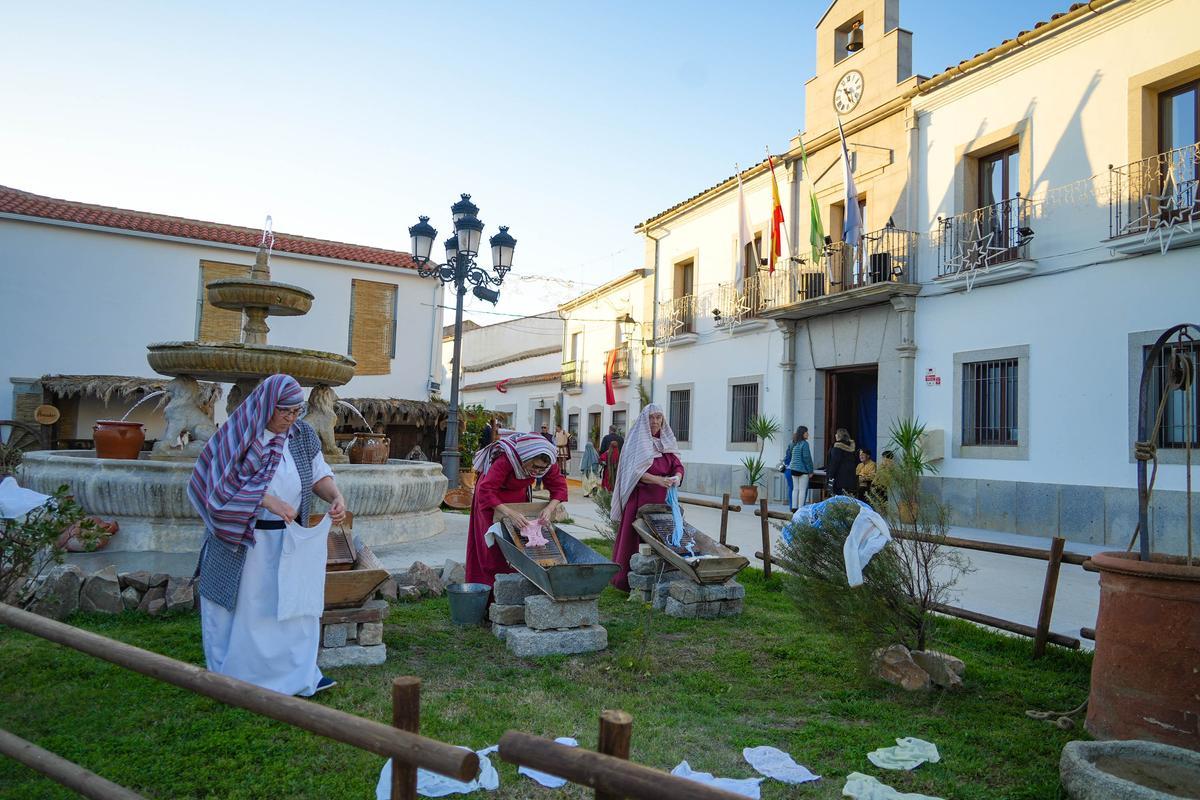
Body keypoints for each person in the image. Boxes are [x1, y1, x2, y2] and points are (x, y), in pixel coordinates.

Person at [189, 374, 348, 697]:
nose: (290, 418)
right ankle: (241, 678)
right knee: (251, 610)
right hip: (245, 543)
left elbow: (318, 475)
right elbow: (218, 484)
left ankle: (299, 673)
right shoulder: (238, 435)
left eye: (295, 411)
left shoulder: (301, 435)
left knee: (292, 605)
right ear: (266, 406)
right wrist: (266, 499)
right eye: (284, 412)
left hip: (288, 539)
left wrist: (335, 496)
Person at [465, 432, 567, 587]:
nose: (537, 472)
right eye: (535, 466)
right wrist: (509, 513)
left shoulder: (547, 461)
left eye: (542, 469)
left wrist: (549, 508)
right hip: (491, 500)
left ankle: (517, 584)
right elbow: (486, 491)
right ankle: (489, 590)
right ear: (526, 458)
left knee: (519, 542)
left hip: (518, 498)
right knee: (493, 547)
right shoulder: (506, 460)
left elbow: (559, 487)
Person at [609, 404, 684, 591]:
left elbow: (678, 466)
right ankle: (628, 581)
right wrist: (658, 480)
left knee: (662, 538)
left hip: (662, 502)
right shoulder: (636, 442)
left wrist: (677, 477)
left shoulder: (666, 442)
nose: (655, 421)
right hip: (640, 500)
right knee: (635, 540)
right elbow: (635, 472)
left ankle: (660, 579)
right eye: (651, 417)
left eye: (659, 417)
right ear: (644, 420)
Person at [787, 425, 815, 511]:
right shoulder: (805, 444)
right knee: (802, 490)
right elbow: (807, 458)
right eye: (806, 432)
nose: (808, 434)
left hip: (793, 468)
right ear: (802, 433)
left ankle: (794, 508)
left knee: (795, 489)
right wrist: (810, 471)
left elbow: (791, 454)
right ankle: (801, 509)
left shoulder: (793, 443)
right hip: (802, 470)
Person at [826, 428, 858, 497]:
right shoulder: (852, 447)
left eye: (836, 434)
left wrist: (830, 476)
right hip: (850, 477)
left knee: (838, 498)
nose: (835, 435)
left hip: (839, 478)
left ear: (839, 436)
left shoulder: (837, 447)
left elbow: (834, 462)